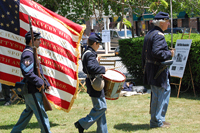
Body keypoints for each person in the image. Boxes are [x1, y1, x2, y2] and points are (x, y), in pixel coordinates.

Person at [11, 31, 52, 133]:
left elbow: (38, 72)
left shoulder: (32, 53)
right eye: (38, 40)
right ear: (31, 41)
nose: (40, 42)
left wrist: (46, 83)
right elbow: (27, 72)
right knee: (42, 115)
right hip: (33, 90)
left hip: (33, 89)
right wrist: (39, 82)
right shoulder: (28, 54)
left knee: (26, 114)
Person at [142, 12, 175, 128]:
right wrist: (169, 53)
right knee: (158, 95)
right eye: (167, 21)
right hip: (157, 70)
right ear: (162, 22)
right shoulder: (159, 35)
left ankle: (160, 118)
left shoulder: (150, 33)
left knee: (164, 92)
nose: (169, 23)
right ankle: (156, 121)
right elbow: (157, 52)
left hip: (153, 69)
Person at [74, 33, 108, 133]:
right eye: (98, 44)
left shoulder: (88, 52)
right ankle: (82, 123)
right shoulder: (89, 54)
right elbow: (91, 67)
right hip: (95, 82)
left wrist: (96, 61)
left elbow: (90, 65)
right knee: (101, 107)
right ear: (94, 43)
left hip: (93, 81)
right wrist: (103, 68)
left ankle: (102, 131)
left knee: (100, 109)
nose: (99, 46)